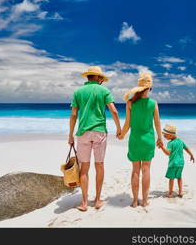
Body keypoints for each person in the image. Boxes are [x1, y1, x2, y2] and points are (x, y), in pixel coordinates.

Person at [69, 66, 121, 211]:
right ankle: (97, 200)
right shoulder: (104, 91)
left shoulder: (78, 92)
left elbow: (73, 115)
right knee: (99, 166)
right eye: (101, 79)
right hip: (99, 132)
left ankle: (84, 203)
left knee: (84, 168)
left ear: (88, 77)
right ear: (98, 77)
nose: (102, 82)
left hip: (83, 133)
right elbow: (114, 111)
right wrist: (119, 129)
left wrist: (70, 135)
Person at [118, 73, 163, 207]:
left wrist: (121, 135)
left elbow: (127, 124)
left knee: (135, 170)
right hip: (148, 140)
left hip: (135, 141)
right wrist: (160, 138)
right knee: (146, 170)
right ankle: (145, 201)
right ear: (149, 88)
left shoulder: (130, 103)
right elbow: (157, 123)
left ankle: (134, 201)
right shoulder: (153, 104)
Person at [160, 124, 195, 198]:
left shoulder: (170, 143)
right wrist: (191, 155)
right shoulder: (180, 141)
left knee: (171, 179)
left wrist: (162, 147)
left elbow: (168, 153)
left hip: (173, 164)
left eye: (165, 135)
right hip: (181, 163)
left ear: (171, 135)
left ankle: (170, 193)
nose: (164, 137)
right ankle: (180, 192)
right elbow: (186, 148)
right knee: (179, 177)